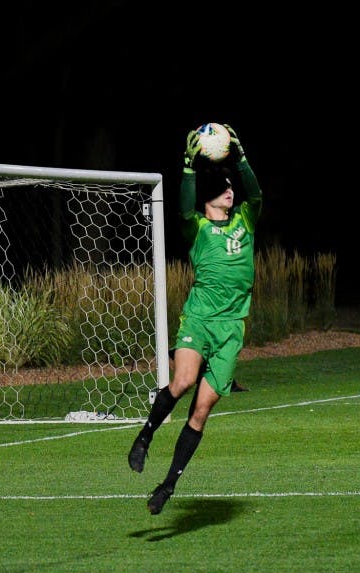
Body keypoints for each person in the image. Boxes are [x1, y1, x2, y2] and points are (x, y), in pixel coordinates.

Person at [128, 124, 262, 514]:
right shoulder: (198, 227)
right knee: (183, 380)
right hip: (200, 319)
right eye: (223, 189)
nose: (230, 191)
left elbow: (255, 192)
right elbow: (184, 207)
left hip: (232, 329)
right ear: (209, 198)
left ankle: (168, 485)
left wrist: (241, 160)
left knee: (202, 410)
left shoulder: (245, 221)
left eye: (230, 187)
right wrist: (188, 166)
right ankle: (145, 436)